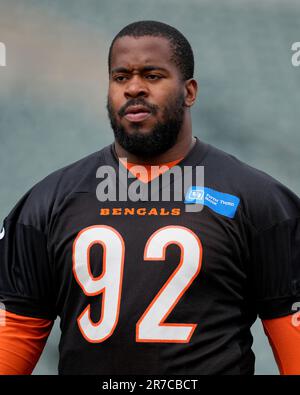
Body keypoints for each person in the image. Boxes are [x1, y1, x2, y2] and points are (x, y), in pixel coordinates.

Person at [0, 20, 299, 375]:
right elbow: (16, 329)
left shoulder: (259, 201)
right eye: (121, 77)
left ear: (189, 91)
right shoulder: (48, 202)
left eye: (153, 76)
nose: (134, 88)